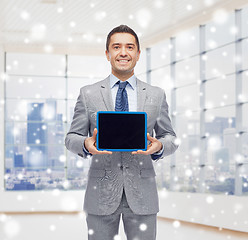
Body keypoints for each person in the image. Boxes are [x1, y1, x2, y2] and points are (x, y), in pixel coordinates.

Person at [65, 24, 178, 240]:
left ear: (137, 54)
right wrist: (86, 144)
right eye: (116, 47)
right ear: (108, 54)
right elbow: (71, 138)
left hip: (143, 194)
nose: (123, 52)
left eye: (129, 47)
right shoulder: (88, 94)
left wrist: (160, 146)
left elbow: (170, 137)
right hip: (101, 194)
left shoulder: (156, 95)